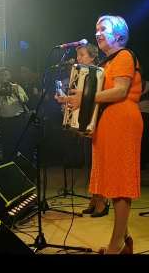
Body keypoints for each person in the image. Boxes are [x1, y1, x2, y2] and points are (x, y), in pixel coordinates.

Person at [57, 15, 142, 254]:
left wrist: (83, 98)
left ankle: (117, 245)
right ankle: (124, 241)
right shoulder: (106, 63)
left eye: (102, 28)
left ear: (118, 34)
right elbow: (94, 97)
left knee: (120, 183)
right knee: (113, 181)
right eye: (96, 29)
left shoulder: (125, 56)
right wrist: (69, 100)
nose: (97, 32)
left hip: (122, 119)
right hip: (108, 121)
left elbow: (120, 91)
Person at [59, 43, 108, 217]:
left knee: (99, 163)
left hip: (99, 121)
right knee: (91, 163)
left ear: (92, 57)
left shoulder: (98, 73)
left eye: (82, 55)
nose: (78, 58)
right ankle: (95, 199)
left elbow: (94, 99)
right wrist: (65, 100)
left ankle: (102, 201)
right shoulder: (80, 74)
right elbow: (79, 98)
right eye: (78, 55)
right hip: (87, 121)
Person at [0, 68, 30, 162]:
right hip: (4, 121)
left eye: (6, 75)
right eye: (2, 75)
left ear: (10, 76)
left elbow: (25, 100)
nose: (4, 77)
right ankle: (8, 165)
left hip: (17, 120)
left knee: (18, 143)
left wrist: (16, 93)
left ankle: (20, 164)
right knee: (6, 145)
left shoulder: (16, 87)